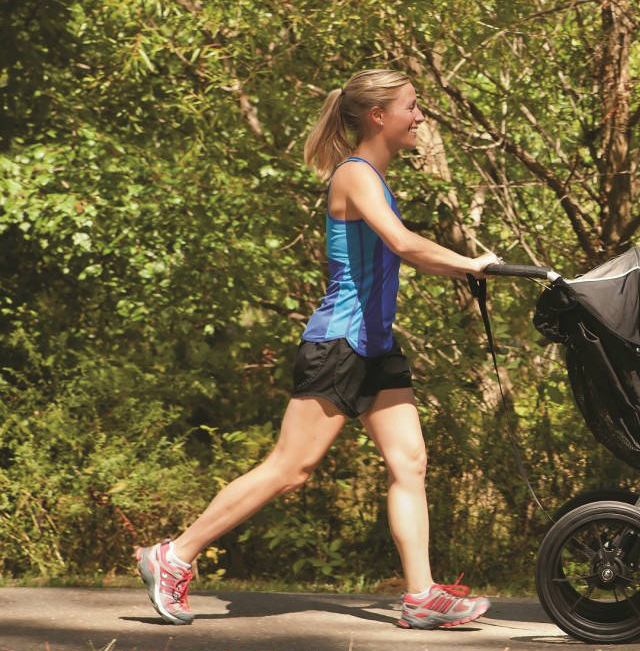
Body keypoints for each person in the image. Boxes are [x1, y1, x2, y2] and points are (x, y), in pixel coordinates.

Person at [134, 69, 498, 630]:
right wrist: (470, 263)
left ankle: (421, 594)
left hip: (376, 347)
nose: (420, 117)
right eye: (412, 107)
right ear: (378, 116)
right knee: (291, 468)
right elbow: (403, 245)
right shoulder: (354, 175)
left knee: (411, 462)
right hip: (339, 344)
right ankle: (175, 555)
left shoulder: (374, 176)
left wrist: (467, 267)